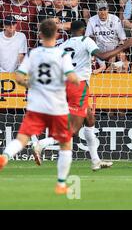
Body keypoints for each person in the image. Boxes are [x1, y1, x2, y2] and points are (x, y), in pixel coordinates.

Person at [32, 20, 132, 171]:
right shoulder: (86, 40)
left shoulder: (62, 46)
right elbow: (103, 56)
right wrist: (124, 46)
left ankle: (95, 161)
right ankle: (41, 144)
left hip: (63, 86)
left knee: (89, 120)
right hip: (78, 86)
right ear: (83, 30)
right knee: (73, 131)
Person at [0, 19, 79, 195]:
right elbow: (74, 79)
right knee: (66, 143)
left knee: (22, 138)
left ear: (40, 35)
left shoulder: (33, 54)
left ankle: (4, 156)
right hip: (57, 106)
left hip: (36, 105)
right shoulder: (62, 55)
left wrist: (32, 84)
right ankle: (60, 183)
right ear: (57, 34)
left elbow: (19, 77)